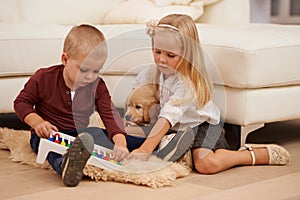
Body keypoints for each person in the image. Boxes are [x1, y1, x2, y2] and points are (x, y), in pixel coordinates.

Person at [125, 14, 290, 173]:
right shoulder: (152, 72)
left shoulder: (186, 83)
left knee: (206, 164)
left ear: (188, 54)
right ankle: (179, 150)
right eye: (157, 51)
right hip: (175, 131)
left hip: (201, 126)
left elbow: (167, 117)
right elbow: (135, 95)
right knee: (130, 134)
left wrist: (145, 149)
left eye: (170, 55)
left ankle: (249, 155)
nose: (161, 59)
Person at [14, 24, 129, 187]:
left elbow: (109, 115)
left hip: (81, 135)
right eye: (84, 70)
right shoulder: (44, 77)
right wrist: (38, 123)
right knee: (51, 147)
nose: (90, 76)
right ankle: (65, 165)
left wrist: (120, 143)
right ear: (65, 60)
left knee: (102, 134)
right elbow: (21, 102)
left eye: (96, 71)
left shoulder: (97, 85)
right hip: (50, 133)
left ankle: (155, 145)